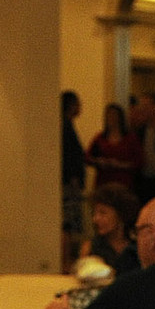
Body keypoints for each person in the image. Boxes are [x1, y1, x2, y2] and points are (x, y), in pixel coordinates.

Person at [80, 182, 142, 275]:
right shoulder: (91, 248)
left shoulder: (138, 245)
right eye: (94, 213)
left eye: (103, 213)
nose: (95, 219)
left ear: (121, 214)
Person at [88, 102, 143, 194]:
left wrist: (121, 165)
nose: (111, 119)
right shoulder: (100, 138)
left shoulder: (130, 138)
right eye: (108, 115)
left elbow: (139, 161)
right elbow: (88, 156)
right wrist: (99, 161)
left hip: (123, 182)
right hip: (104, 181)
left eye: (114, 115)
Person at [62, 90, 89, 270]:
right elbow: (71, 157)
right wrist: (74, 179)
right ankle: (66, 262)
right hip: (69, 184)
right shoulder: (65, 128)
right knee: (68, 225)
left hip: (69, 182)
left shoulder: (67, 126)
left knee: (69, 225)